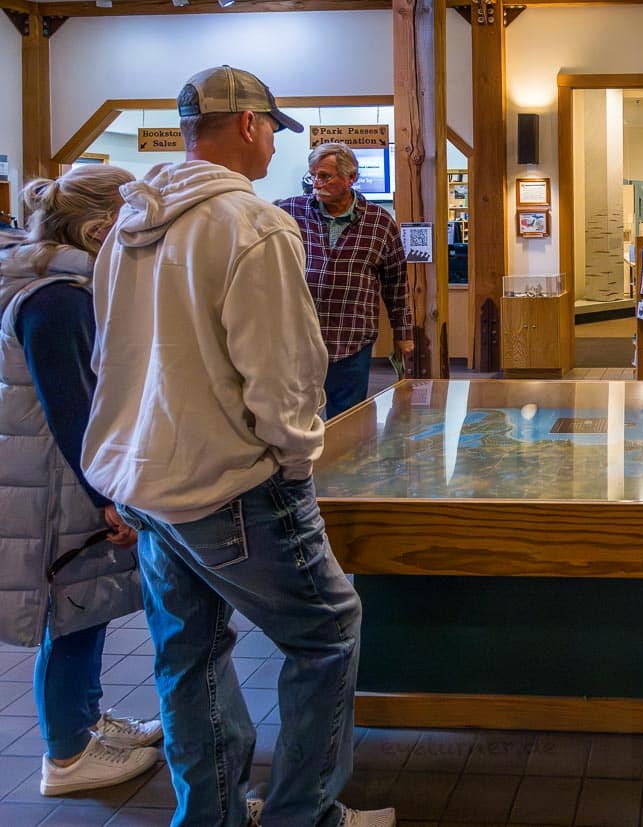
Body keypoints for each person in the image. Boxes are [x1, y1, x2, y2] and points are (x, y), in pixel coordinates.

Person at [81, 66, 394, 827]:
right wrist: (295, 465)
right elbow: (284, 375)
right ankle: (305, 813)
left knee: (188, 652)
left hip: (146, 480)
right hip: (233, 483)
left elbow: (108, 359)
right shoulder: (253, 226)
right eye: (273, 134)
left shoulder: (128, 225)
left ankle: (212, 813)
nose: (275, 153)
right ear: (250, 125)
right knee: (326, 634)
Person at [0, 165, 163, 796]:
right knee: (71, 611)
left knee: (85, 605)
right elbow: (73, 413)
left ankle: (82, 724)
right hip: (58, 488)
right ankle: (68, 755)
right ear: (101, 228)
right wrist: (109, 500)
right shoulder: (58, 296)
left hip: (58, 481)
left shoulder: (58, 283)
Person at [277, 142, 413, 418]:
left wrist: (404, 336)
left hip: (351, 340)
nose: (316, 182)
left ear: (351, 178)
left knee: (348, 420)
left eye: (325, 176)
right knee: (295, 419)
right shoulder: (289, 212)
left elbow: (396, 284)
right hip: (299, 339)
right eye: (313, 175)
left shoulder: (379, 222)